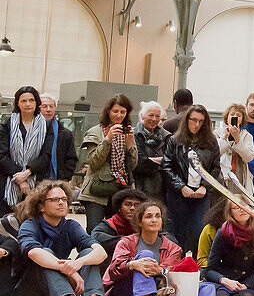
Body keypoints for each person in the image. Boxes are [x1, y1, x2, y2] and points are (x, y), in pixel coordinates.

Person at [103, 200, 222, 296]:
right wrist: (133, 265)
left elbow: (172, 274)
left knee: (206, 285)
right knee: (146, 256)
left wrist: (160, 270)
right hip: (126, 290)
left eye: (158, 216)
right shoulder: (126, 242)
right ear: (139, 222)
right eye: (149, 216)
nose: (154, 220)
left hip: (158, 288)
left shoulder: (173, 248)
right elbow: (113, 270)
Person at [13, 181, 110, 296]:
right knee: (45, 253)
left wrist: (78, 263)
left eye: (64, 199)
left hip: (55, 293)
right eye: (54, 200)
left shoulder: (71, 226)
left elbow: (100, 252)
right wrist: (71, 272)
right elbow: (34, 253)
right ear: (41, 206)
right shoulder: (30, 225)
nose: (61, 203)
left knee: (88, 253)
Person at [162, 105, 221, 257]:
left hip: (201, 195)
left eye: (201, 121)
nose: (197, 124)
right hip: (178, 194)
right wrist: (181, 187)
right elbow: (166, 167)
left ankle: (197, 268)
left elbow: (215, 169)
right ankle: (176, 267)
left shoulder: (211, 142)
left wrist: (205, 187)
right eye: (193, 120)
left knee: (198, 232)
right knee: (177, 233)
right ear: (187, 120)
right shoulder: (174, 140)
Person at [79, 94, 138, 228]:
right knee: (94, 231)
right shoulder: (95, 132)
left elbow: (132, 166)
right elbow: (94, 162)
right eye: (115, 111)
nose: (119, 115)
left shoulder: (127, 132)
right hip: (97, 191)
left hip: (119, 190)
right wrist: (107, 139)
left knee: (117, 231)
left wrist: (130, 147)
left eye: (123, 112)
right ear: (108, 112)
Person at [203, 201, 254, 296]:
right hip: (225, 280)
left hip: (246, 282)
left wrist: (246, 285)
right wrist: (224, 280)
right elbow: (209, 270)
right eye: (236, 207)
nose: (242, 210)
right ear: (230, 212)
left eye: (246, 206)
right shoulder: (222, 233)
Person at [1, 86, 55, 215]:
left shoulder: (47, 126)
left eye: (31, 100)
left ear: (37, 102)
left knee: (30, 220)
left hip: (36, 181)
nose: (28, 104)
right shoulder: (7, 123)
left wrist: (27, 173)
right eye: (23, 101)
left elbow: (46, 155)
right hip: (7, 181)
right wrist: (20, 178)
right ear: (17, 103)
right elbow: (2, 155)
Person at [90, 187, 147, 259]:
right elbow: (96, 236)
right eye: (128, 204)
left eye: (137, 205)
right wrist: (125, 241)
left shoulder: (146, 223)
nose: (132, 208)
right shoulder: (111, 223)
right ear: (119, 208)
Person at [215, 103, 254, 198]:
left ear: (242, 119)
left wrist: (238, 140)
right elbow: (214, 153)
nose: (235, 117)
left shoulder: (247, 136)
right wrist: (225, 138)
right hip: (221, 176)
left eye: (238, 115)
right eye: (232, 114)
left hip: (239, 176)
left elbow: (249, 157)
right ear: (227, 117)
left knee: (238, 205)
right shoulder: (218, 133)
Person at [133, 101, 171, 203]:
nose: (154, 119)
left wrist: (149, 160)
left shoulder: (167, 136)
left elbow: (171, 161)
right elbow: (138, 162)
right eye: (150, 115)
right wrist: (160, 161)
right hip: (140, 186)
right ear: (142, 116)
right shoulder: (134, 135)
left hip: (163, 188)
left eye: (157, 116)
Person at [37, 94, 77, 182]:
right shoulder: (31, 131)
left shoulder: (65, 134)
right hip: (34, 179)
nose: (48, 110)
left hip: (58, 181)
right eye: (44, 106)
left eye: (51, 106)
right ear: (37, 108)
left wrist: (65, 178)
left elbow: (71, 159)